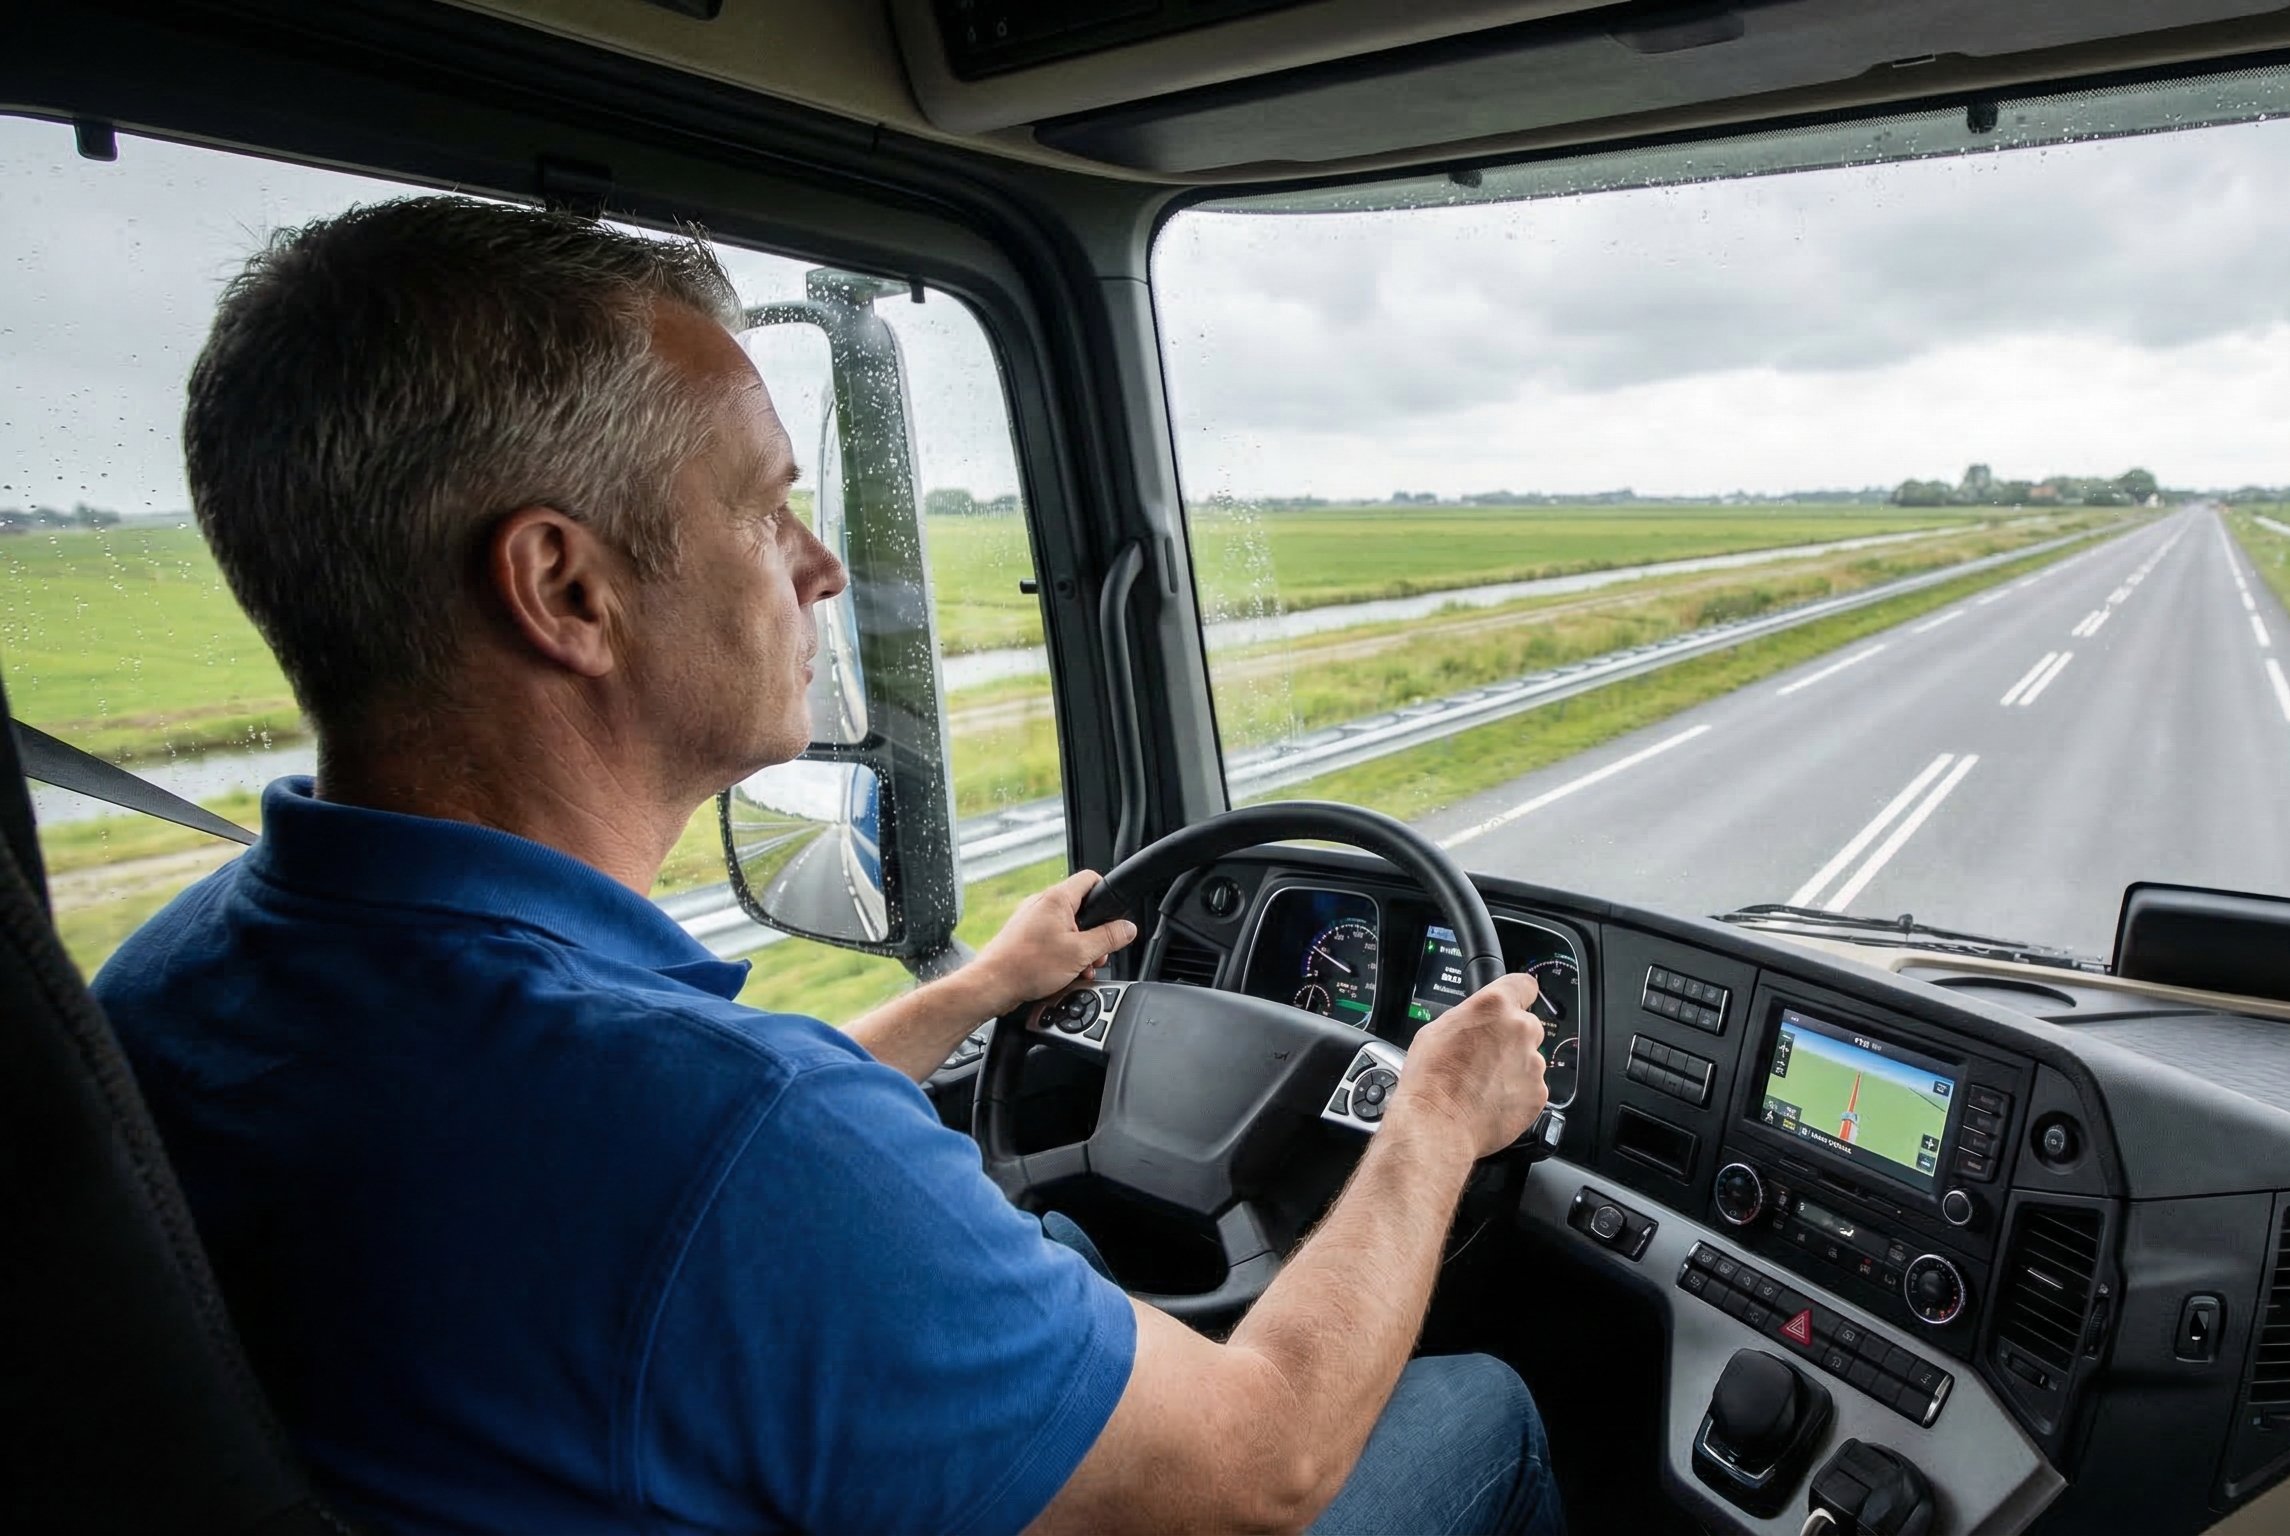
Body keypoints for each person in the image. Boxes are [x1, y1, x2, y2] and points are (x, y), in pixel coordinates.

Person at [96, 197, 1564, 1536]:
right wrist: (1437, 1111)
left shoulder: (172, 982)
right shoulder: (724, 1140)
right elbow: (1259, 1472)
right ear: (565, 588)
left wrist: (981, 990)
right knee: (1482, 1409)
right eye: (760, 504)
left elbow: (671, 1170)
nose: (820, 565)